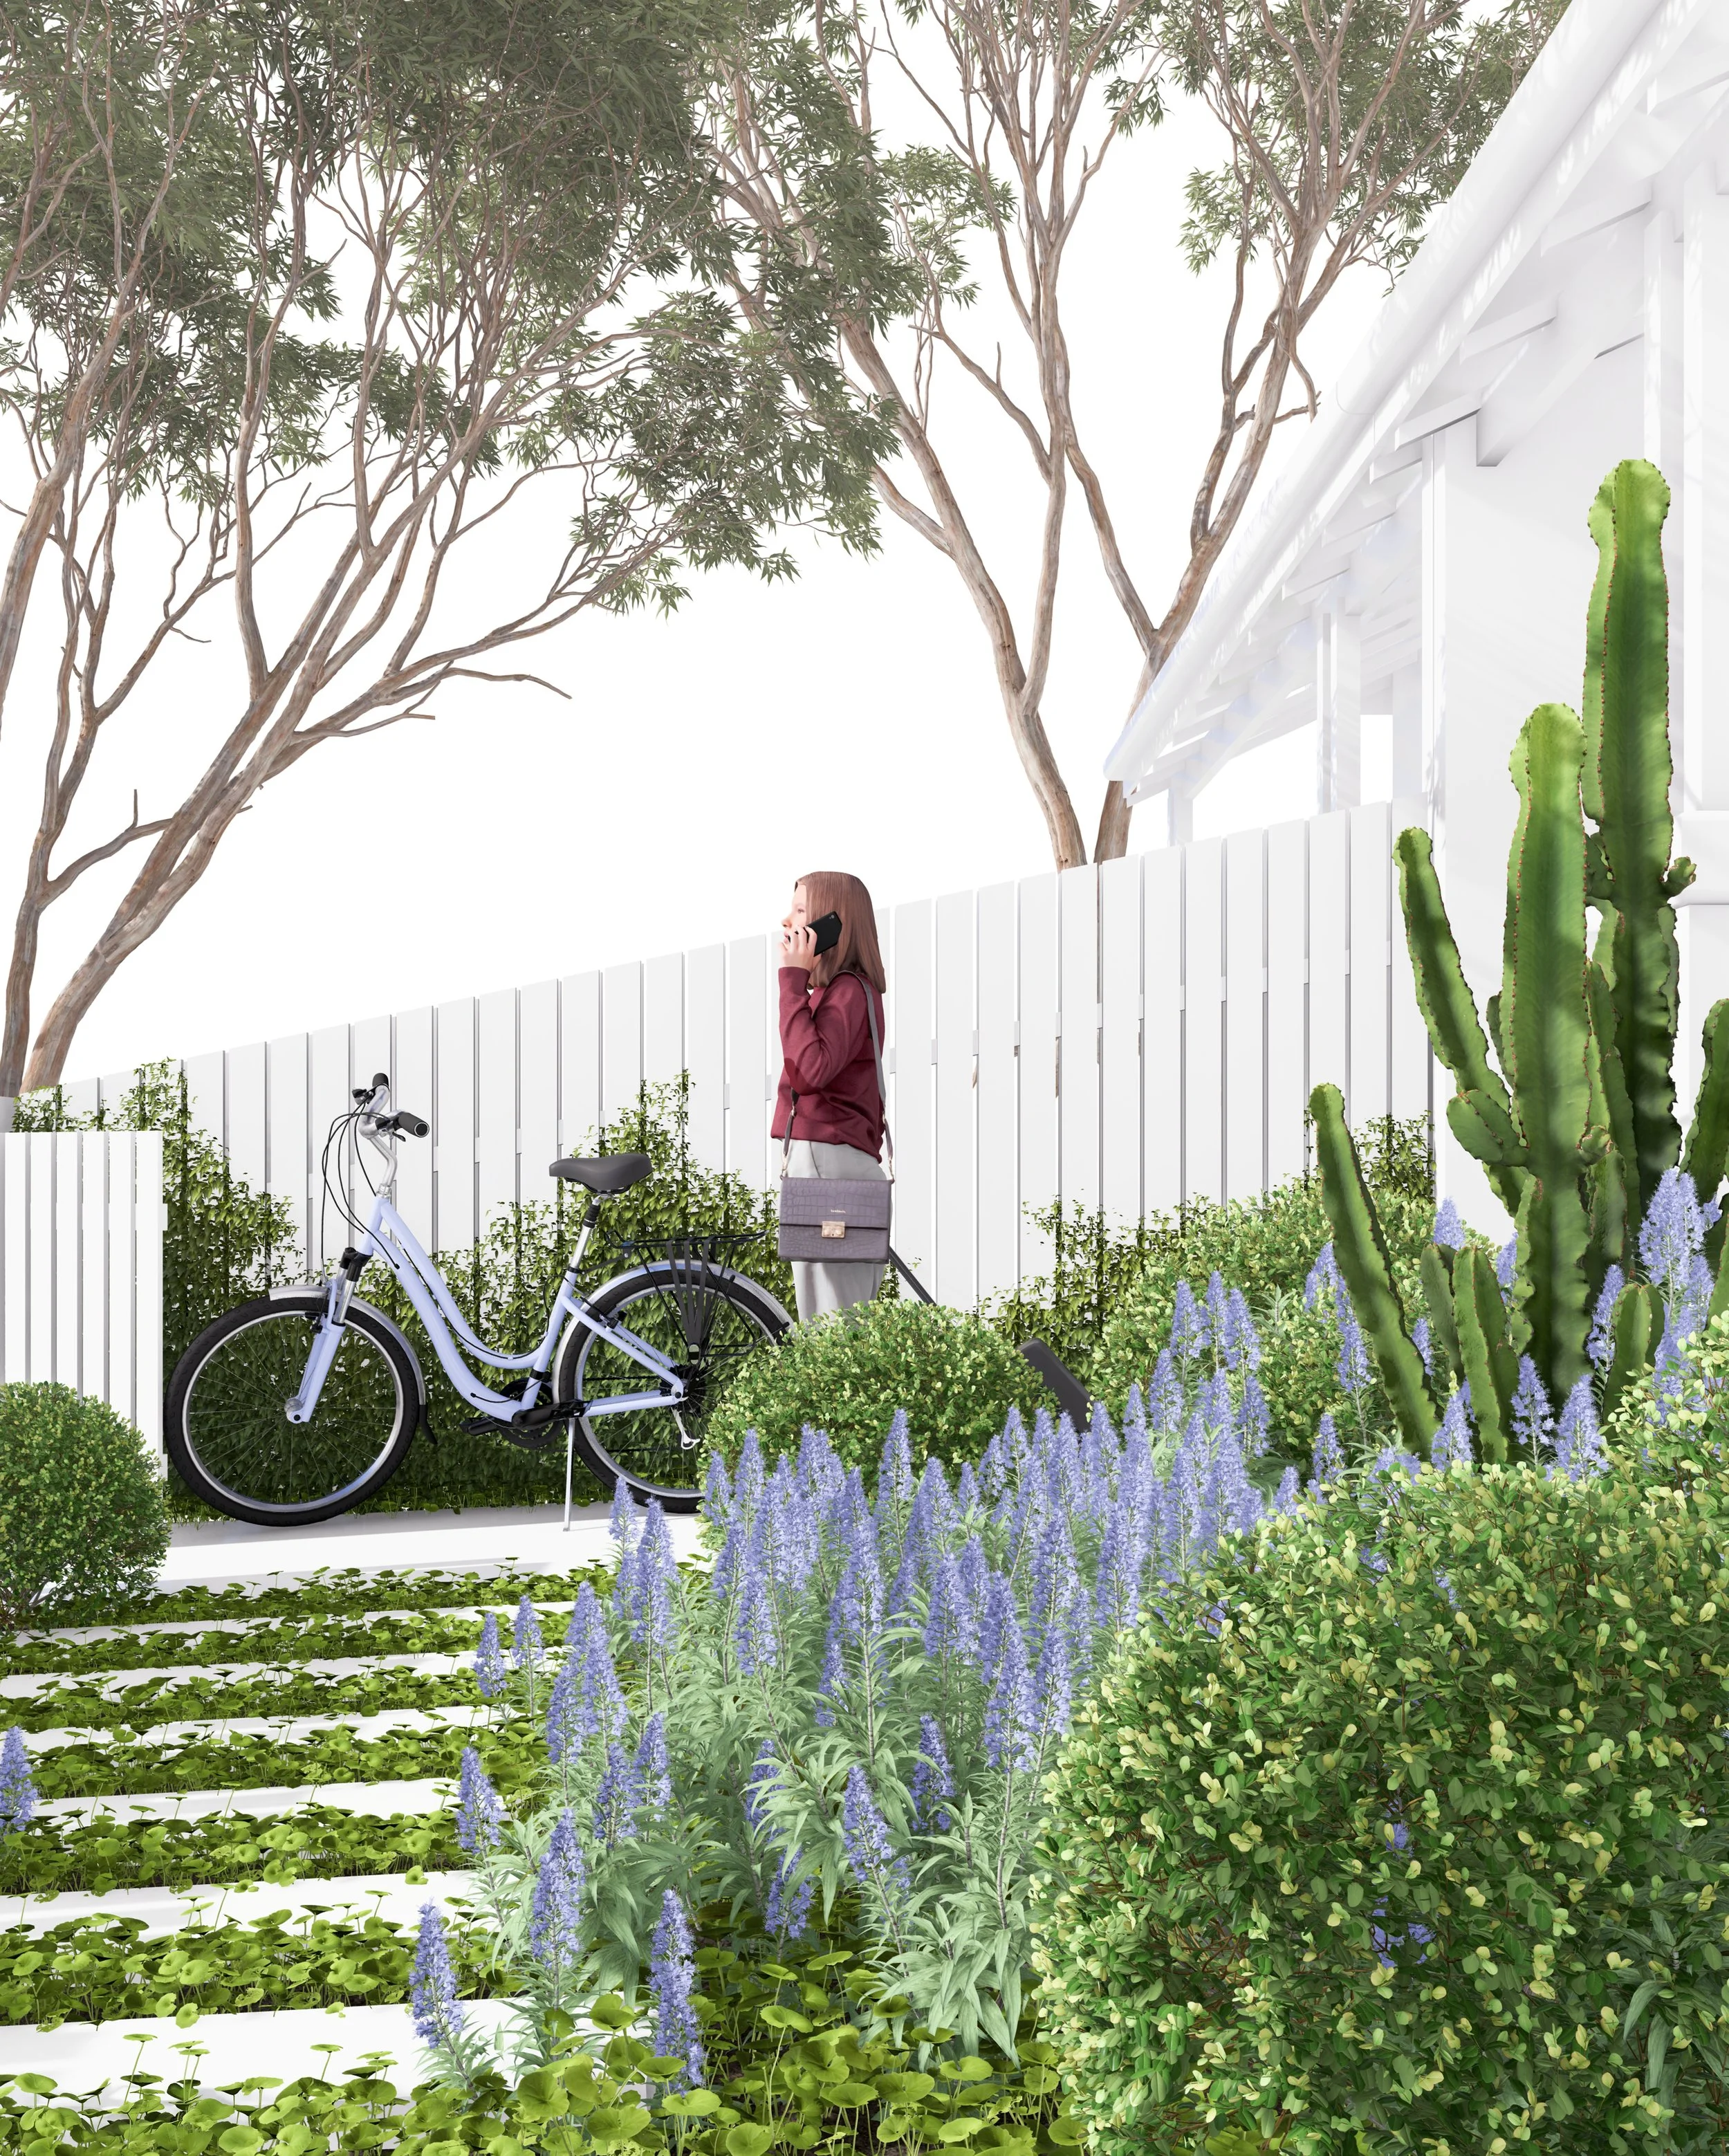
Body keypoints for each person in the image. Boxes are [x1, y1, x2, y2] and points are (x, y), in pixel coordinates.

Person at [774, 870, 889, 1321]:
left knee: (833, 1322)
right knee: (840, 1317)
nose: (787, 921)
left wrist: (791, 980)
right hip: (836, 1156)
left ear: (831, 924)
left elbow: (810, 1070)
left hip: (827, 1157)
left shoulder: (846, 991)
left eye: (801, 910)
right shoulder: (844, 991)